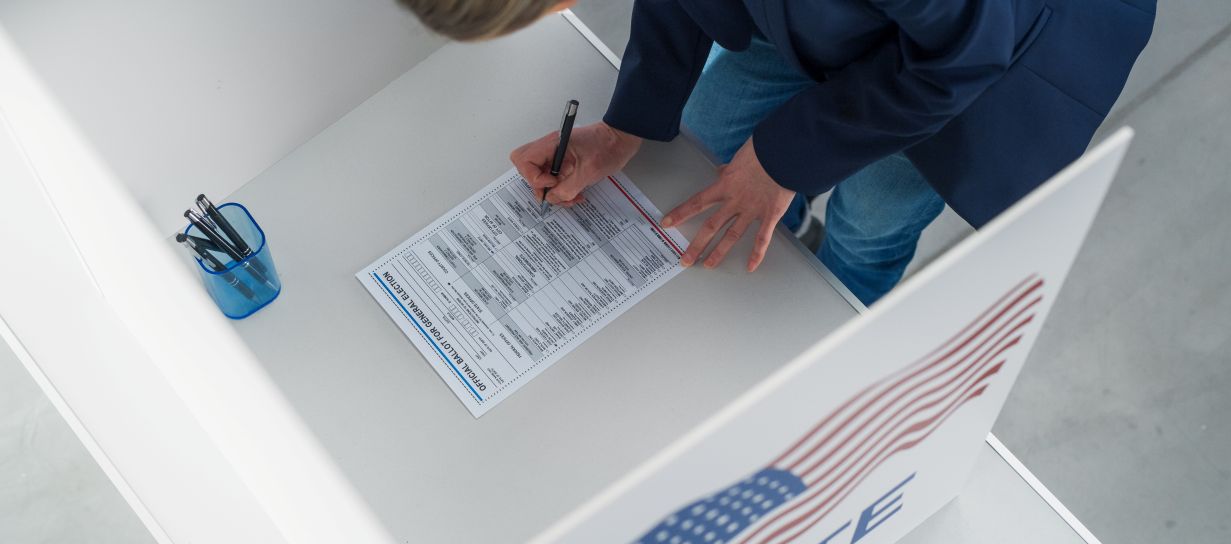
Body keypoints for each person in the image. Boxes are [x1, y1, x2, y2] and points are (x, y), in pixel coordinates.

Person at [399, 0, 1154, 304]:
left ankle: (844, 307)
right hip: (840, 13)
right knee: (708, 130)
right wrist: (627, 123)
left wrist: (785, 160)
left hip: (983, 58)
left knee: (872, 217)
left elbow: (959, 59)